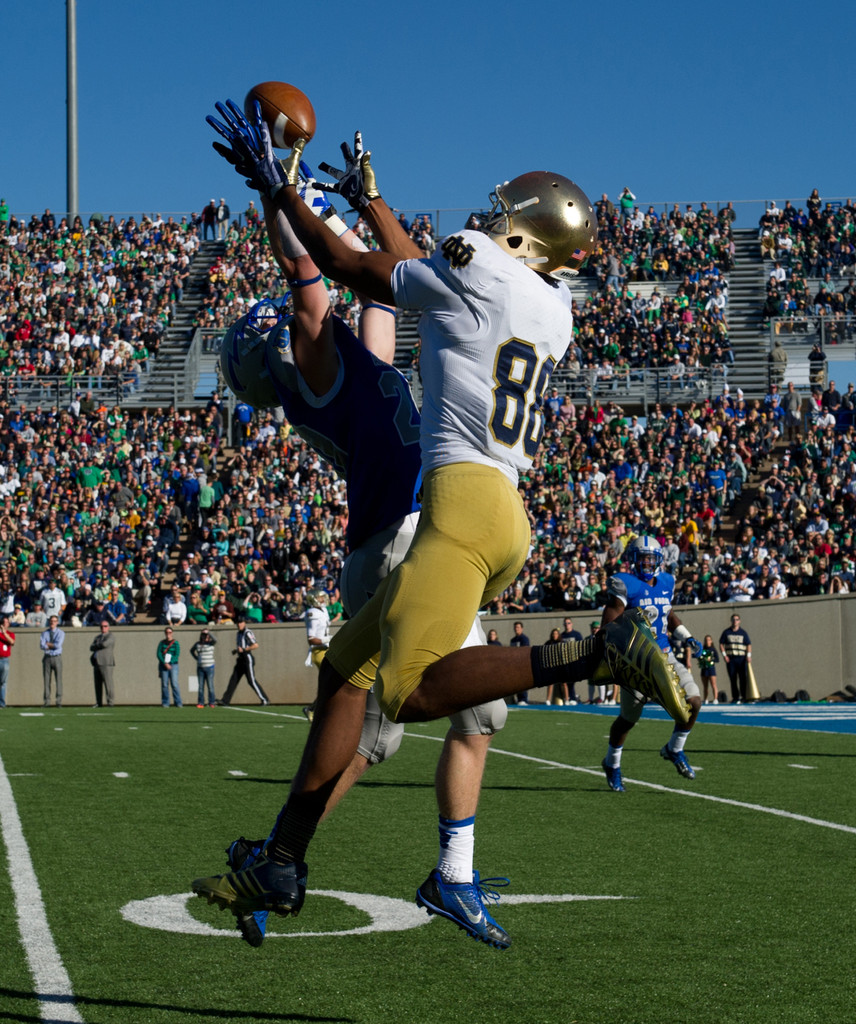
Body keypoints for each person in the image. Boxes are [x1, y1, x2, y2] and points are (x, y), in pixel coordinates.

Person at [193, 106, 686, 931]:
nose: (490, 217)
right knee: (343, 673)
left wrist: (283, 191)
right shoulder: (551, 307)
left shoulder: (475, 266)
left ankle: (594, 651)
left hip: (456, 511)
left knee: (411, 695)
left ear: (520, 234)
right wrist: (370, 199)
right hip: (501, 514)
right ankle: (281, 861)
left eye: (506, 212)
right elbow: (426, 266)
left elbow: (353, 267)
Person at [199, 146, 513, 949]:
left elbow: (377, 285)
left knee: (370, 740)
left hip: (388, 539)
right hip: (407, 536)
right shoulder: (312, 362)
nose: (287, 313)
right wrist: (275, 196)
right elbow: (311, 281)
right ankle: (454, 875)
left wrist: (325, 190)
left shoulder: (342, 366)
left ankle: (277, 858)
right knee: (478, 715)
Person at [600, 536, 704, 792]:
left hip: (665, 655)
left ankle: (674, 749)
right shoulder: (625, 584)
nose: (647, 562)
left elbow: (666, 613)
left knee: (694, 702)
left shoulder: (666, 582)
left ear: (659, 560)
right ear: (633, 559)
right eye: (643, 557)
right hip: (637, 660)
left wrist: (687, 636)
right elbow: (610, 621)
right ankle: (612, 763)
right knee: (627, 720)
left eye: (651, 558)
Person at [219, 616, 269, 706]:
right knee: (233, 679)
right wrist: (236, 651)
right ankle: (225, 700)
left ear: (244, 623)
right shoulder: (238, 633)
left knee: (251, 680)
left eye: (241, 622)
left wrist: (245, 649)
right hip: (240, 658)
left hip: (247, 658)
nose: (239, 624)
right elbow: (241, 647)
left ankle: (265, 699)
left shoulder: (247, 632)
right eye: (238, 623)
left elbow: (255, 645)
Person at [301, 589, 331, 723]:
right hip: (319, 651)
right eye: (320, 597)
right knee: (329, 683)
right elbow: (311, 639)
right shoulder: (312, 613)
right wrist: (328, 639)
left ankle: (313, 709)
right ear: (313, 599)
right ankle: (315, 710)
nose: (323, 599)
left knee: (329, 683)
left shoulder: (322, 611)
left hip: (326, 650)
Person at [719, 613, 752, 703]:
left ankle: (744, 696)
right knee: (733, 678)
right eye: (733, 619)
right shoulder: (726, 632)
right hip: (731, 659)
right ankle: (735, 697)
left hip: (741, 659)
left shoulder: (743, 633)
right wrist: (724, 655)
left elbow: (748, 644)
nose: (735, 621)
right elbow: (721, 643)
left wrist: (748, 656)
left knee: (743, 678)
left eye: (737, 619)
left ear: (739, 621)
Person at [39, 614, 64, 708]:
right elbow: (42, 645)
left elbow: (58, 645)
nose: (52, 623)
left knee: (58, 680)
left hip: (57, 657)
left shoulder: (61, 633)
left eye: (54, 621)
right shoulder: (44, 633)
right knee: (46, 680)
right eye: (51, 621)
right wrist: (50, 645)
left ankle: (58, 701)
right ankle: (47, 701)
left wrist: (48, 644)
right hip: (47, 657)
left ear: (57, 622)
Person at [90, 620, 116, 707]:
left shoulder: (111, 636)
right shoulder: (97, 637)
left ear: (108, 627)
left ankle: (110, 702)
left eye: (105, 626)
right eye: (101, 626)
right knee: (97, 684)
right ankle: (99, 702)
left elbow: (105, 644)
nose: (103, 628)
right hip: (97, 662)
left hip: (106, 662)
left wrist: (97, 644)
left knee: (108, 683)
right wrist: (98, 644)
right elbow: (91, 647)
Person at [190, 628, 217, 708]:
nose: (205, 637)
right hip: (200, 668)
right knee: (201, 686)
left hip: (210, 667)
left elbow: (215, 639)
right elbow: (192, 651)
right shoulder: (197, 644)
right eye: (203, 635)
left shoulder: (211, 643)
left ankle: (211, 702)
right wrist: (196, 658)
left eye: (206, 635)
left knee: (210, 686)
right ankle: (201, 702)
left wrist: (209, 632)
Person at [157, 626, 183, 707]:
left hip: (173, 665)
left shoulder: (175, 643)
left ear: (172, 633)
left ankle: (178, 702)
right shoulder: (162, 643)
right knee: (164, 684)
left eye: (170, 632)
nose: (168, 634)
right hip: (163, 665)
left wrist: (170, 662)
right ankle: (165, 703)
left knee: (174, 684)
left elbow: (177, 653)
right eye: (167, 632)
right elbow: (158, 654)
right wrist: (165, 663)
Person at [697, 635, 720, 704]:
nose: (707, 641)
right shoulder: (703, 649)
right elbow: (699, 657)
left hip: (711, 669)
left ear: (711, 641)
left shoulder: (713, 650)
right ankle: (705, 699)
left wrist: (711, 660)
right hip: (704, 669)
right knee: (705, 686)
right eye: (706, 640)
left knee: (713, 684)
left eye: (709, 640)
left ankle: (715, 699)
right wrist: (702, 660)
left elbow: (717, 659)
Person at [0, 615, 13, 708]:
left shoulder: (10, 634)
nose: (5, 624)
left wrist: (4, 633)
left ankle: (2, 703)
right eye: (4, 623)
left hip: (5, 660)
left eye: (7, 623)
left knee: (3, 682)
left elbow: (12, 642)